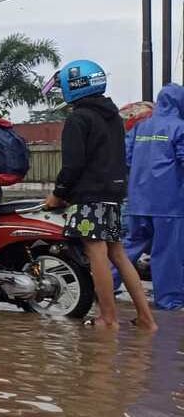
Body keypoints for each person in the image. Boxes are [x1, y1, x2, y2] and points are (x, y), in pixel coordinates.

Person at [42, 59, 157, 331]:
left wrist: (58, 194)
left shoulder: (78, 119)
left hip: (89, 196)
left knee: (97, 253)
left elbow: (72, 165)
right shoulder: (113, 117)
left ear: (74, 86)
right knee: (118, 254)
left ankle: (108, 318)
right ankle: (146, 318)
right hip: (113, 194)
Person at [120, 83, 184, 311]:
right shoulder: (179, 128)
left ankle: (103, 287)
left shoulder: (140, 127)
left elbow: (126, 158)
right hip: (168, 204)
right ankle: (169, 301)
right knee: (166, 253)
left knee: (128, 248)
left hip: (138, 200)